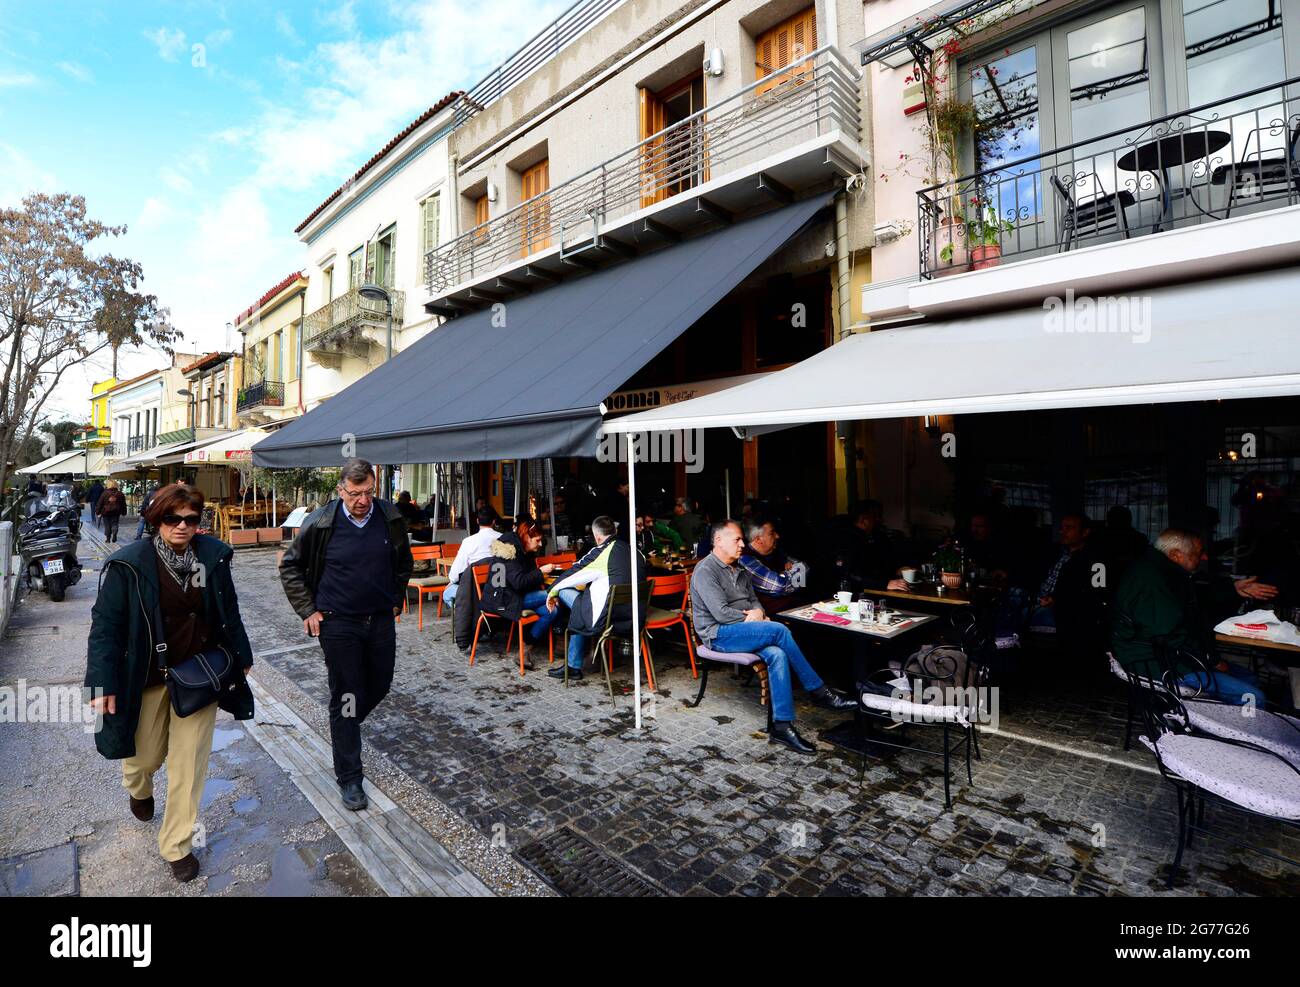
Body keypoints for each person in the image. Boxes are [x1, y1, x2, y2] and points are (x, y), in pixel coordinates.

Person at [85, 483, 254, 883]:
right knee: (144, 757)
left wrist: (241, 656)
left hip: (198, 677)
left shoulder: (213, 558)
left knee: (188, 765)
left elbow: (228, 610)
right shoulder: (129, 565)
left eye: (190, 519)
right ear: (155, 519)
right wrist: (100, 683)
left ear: (200, 522)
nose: (181, 525)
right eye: (171, 518)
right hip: (145, 678)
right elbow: (105, 627)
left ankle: (177, 845)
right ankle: (138, 788)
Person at [278, 459, 413, 811]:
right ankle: (350, 777)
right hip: (338, 622)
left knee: (380, 684)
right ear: (341, 491)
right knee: (347, 695)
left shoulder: (390, 517)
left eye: (368, 492)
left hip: (380, 618)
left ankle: (344, 726)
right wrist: (308, 610)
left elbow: (404, 562)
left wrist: (397, 600)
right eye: (355, 494)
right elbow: (290, 566)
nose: (362, 500)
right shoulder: (321, 521)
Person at [691, 520, 856, 754]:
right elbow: (721, 614)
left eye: (742, 540)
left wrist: (759, 612)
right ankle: (820, 692)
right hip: (718, 634)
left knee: (777, 654)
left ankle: (782, 726)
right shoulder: (705, 570)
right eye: (737, 540)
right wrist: (757, 619)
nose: (742, 544)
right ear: (718, 541)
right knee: (779, 630)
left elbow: (754, 601)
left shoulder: (740, 569)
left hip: (743, 629)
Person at [1113, 528, 1267, 706]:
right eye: (1199, 553)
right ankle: (1230, 733)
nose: (1204, 558)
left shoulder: (1160, 571)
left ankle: (1220, 726)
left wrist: (1233, 589)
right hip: (1162, 666)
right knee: (1254, 696)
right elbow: (1169, 635)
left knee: (1249, 677)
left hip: (1167, 658)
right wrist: (1211, 661)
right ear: (1176, 555)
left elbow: (1195, 595)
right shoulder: (1153, 581)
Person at [545, 515, 639, 680]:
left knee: (566, 591)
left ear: (597, 537)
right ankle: (577, 659)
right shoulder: (635, 550)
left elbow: (575, 572)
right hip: (634, 616)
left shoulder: (601, 551)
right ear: (614, 531)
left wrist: (552, 591)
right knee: (582, 604)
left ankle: (573, 664)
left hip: (608, 618)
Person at [480, 517, 562, 665]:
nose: (541, 544)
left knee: (552, 611)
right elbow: (519, 582)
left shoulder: (523, 550)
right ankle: (561, 635)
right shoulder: (509, 550)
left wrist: (539, 574)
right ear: (526, 537)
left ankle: (525, 649)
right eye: (537, 540)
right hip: (502, 599)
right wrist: (540, 572)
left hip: (515, 596)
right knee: (552, 594)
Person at [740, 520, 809, 613]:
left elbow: (803, 567)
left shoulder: (776, 551)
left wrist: (782, 577)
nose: (777, 536)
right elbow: (778, 586)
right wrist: (788, 574)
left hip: (795, 609)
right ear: (758, 539)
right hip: (772, 617)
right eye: (771, 533)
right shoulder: (745, 558)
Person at [443, 508, 502, 611]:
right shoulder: (504, 538)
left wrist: (451, 581)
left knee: (447, 593)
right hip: (499, 590)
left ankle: (470, 612)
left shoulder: (469, 541)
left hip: (475, 591)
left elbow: (455, 575)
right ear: (494, 521)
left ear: (477, 521)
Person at [97, 479, 127, 543]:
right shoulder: (120, 494)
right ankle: (114, 534)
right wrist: (124, 512)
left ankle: (108, 539)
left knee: (107, 525)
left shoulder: (104, 493)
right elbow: (123, 504)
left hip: (106, 512)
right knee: (115, 524)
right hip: (116, 512)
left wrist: (98, 512)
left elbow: (100, 503)